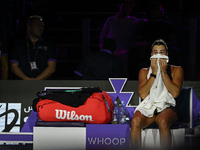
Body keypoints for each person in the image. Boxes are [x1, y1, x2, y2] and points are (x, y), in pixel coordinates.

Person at [130, 39, 183, 149]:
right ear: (151, 54)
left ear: (167, 54)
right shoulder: (144, 71)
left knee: (162, 121)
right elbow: (143, 95)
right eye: (155, 52)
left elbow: (175, 93)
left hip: (168, 107)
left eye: (162, 52)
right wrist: (154, 73)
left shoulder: (176, 70)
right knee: (135, 121)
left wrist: (163, 72)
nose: (158, 55)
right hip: (149, 106)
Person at [128, 2, 180, 80]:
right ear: (152, 12)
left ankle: (174, 79)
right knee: (132, 52)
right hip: (148, 50)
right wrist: (145, 44)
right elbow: (138, 40)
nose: (161, 10)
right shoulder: (145, 26)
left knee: (176, 52)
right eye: (158, 9)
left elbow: (174, 40)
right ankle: (134, 80)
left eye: (162, 9)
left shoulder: (169, 25)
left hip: (165, 49)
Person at [99, 0, 140, 77]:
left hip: (125, 49)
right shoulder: (111, 19)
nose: (124, 8)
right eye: (123, 6)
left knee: (123, 68)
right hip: (110, 49)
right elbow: (103, 33)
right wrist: (102, 46)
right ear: (120, 7)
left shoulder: (133, 20)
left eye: (127, 7)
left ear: (130, 9)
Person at [10, 15, 56, 80]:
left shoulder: (48, 44)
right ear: (29, 27)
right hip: (22, 84)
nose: (40, 28)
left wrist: (36, 80)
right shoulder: (19, 43)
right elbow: (13, 66)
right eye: (37, 25)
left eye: (42, 26)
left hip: (42, 83)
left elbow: (52, 67)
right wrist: (26, 79)